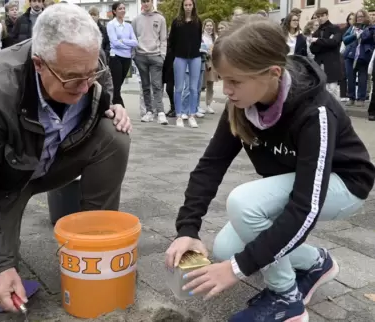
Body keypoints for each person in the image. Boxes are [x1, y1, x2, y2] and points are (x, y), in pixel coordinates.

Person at [165, 15, 375, 322]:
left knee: (244, 204)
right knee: (225, 248)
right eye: (223, 79)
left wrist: (238, 269)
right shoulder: (240, 105)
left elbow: (305, 207)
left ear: (273, 73)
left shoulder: (315, 113)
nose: (226, 90)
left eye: (234, 80)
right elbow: (211, 165)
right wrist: (187, 228)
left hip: (344, 185)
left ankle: (286, 297)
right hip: (305, 186)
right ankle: (317, 263)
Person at [0, 4, 131, 312]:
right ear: (39, 64)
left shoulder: (87, 61)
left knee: (114, 135)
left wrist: (114, 105)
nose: (84, 87)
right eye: (71, 79)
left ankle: (94, 236)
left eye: (90, 74)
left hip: (49, 162)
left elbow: (100, 88)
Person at [132, 0, 168, 125]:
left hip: (155, 56)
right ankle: (149, 112)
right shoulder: (136, 20)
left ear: (151, 2)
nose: (145, 4)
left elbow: (163, 39)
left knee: (157, 85)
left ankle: (161, 112)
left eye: (147, 1)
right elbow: (133, 38)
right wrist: (134, 55)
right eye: (143, 1)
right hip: (141, 56)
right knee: (145, 86)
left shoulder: (160, 18)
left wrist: (162, 55)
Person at [168, 0, 202, 128]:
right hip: (180, 57)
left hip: (195, 56)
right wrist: (175, 53)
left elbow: (198, 39)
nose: (188, 7)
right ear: (182, 7)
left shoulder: (198, 21)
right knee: (179, 88)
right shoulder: (177, 22)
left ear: (193, 6)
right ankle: (179, 115)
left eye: (190, 5)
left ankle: (192, 114)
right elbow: (172, 39)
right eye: (186, 5)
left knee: (194, 88)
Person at [106, 2, 138, 106]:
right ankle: (118, 105)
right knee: (116, 84)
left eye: (124, 8)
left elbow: (135, 42)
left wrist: (122, 40)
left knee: (119, 84)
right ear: (114, 11)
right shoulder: (111, 24)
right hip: (115, 57)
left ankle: (113, 103)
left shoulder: (128, 26)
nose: (123, 10)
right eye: (120, 9)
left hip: (127, 57)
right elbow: (114, 43)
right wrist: (127, 44)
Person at [342, 9, 375, 108]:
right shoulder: (352, 27)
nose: (360, 18)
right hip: (350, 54)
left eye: (362, 16)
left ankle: (361, 98)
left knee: (362, 77)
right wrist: (355, 35)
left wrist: (361, 33)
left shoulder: (370, 27)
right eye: (358, 16)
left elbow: (367, 38)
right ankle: (351, 97)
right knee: (350, 77)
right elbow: (345, 39)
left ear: (365, 17)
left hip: (363, 55)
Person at [310, 7, 342, 98]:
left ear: (327, 15)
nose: (320, 18)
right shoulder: (317, 31)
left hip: (332, 63)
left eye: (322, 16)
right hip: (319, 62)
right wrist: (325, 42)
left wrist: (318, 41)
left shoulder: (335, 28)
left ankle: (336, 110)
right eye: (318, 16)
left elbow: (334, 42)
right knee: (321, 89)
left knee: (332, 89)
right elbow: (313, 49)